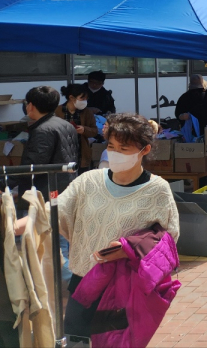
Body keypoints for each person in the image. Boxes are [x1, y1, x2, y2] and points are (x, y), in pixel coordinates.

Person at [60, 113, 180, 340]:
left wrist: (130, 249)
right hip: (82, 282)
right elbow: (57, 211)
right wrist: (22, 220)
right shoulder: (89, 181)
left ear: (144, 150)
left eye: (123, 149)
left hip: (123, 288)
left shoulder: (158, 189)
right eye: (111, 147)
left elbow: (169, 239)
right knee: (75, 340)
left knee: (115, 343)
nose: (115, 154)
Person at [21, 85, 77, 197]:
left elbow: (34, 164)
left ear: (31, 106)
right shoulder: (66, 124)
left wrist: (4, 184)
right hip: (67, 185)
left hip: (45, 191)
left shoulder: (43, 130)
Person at [56, 83, 98, 172]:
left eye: (86, 99)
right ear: (71, 98)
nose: (84, 101)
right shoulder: (57, 111)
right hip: (62, 153)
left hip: (81, 154)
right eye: (82, 98)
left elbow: (94, 131)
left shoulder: (87, 112)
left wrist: (84, 130)